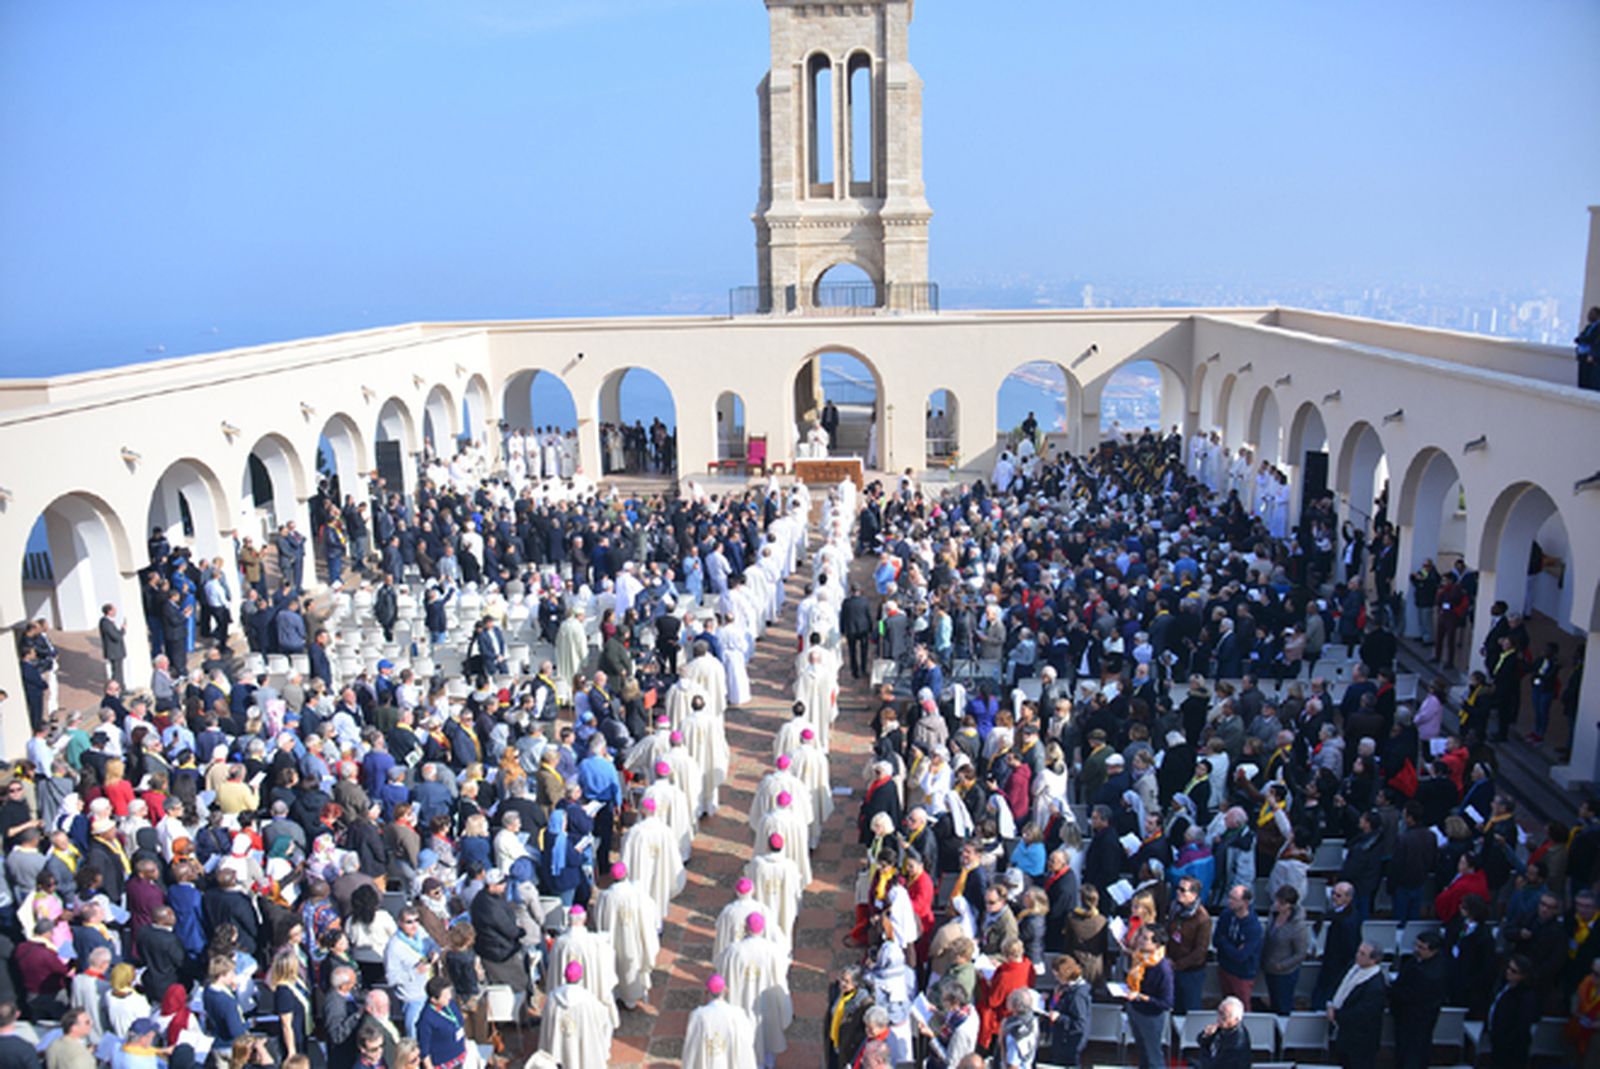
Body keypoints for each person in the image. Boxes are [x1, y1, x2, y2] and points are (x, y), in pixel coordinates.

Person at [1389, 930, 1449, 1069]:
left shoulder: (1431, 973)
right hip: (1406, 1015)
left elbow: (1410, 994)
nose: (1416, 949)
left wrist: (1389, 991)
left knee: (1413, 1054)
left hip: (1417, 1018)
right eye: (1416, 945)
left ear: (1433, 951)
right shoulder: (1416, 962)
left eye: (1422, 947)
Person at [537, 961, 614, 1069]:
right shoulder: (588, 999)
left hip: (560, 1046)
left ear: (564, 976)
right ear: (581, 977)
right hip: (582, 1044)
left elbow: (547, 1022)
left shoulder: (552, 997)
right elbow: (603, 1019)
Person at [1328, 942, 1386, 1069]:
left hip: (1361, 1041)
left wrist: (1336, 1015)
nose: (1357, 955)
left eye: (1362, 954)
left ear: (1374, 960)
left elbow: (1362, 1014)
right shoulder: (1354, 968)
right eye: (1358, 951)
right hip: (1346, 1035)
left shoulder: (1375, 986)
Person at [682, 973, 757, 1069]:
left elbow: (692, 1048)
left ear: (706, 992)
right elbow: (748, 1040)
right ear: (725, 990)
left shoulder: (698, 1016)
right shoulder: (738, 1014)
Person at [1122, 928, 1173, 1069]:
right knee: (1143, 1053)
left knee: (1153, 1057)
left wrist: (1141, 996)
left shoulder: (1162, 968)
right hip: (1135, 1009)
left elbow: (1167, 1002)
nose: (1139, 940)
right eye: (1141, 936)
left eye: (1145, 938)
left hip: (1151, 1016)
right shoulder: (1139, 958)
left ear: (1156, 945)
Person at [1042, 955, 1090, 1067]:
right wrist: (1050, 998)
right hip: (1061, 1038)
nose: (1056, 979)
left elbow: (1079, 1024)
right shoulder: (1066, 987)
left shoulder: (1078, 996)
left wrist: (1059, 1018)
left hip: (1069, 1042)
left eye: (1058, 976)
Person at [414, 977, 467, 1069]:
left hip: (459, 1057)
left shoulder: (449, 1004)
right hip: (443, 1064)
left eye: (449, 993)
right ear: (434, 1000)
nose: (449, 997)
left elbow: (459, 1024)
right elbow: (424, 1051)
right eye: (445, 995)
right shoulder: (426, 1020)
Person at [1190, 996, 1250, 1069]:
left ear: (1236, 1019)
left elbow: (1214, 1066)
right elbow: (1200, 1039)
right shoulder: (1224, 1027)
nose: (1219, 1019)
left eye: (1224, 1016)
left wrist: (1204, 1048)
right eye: (1219, 1013)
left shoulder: (1236, 1041)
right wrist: (1207, 1035)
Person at [1576, 305, 1600, 391]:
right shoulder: (1589, 327)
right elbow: (1580, 337)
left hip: (1591, 357)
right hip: (1582, 356)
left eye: (1592, 314)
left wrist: (1583, 339)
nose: (1589, 316)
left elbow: (1590, 339)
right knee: (1582, 380)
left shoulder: (1598, 327)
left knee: (1589, 381)